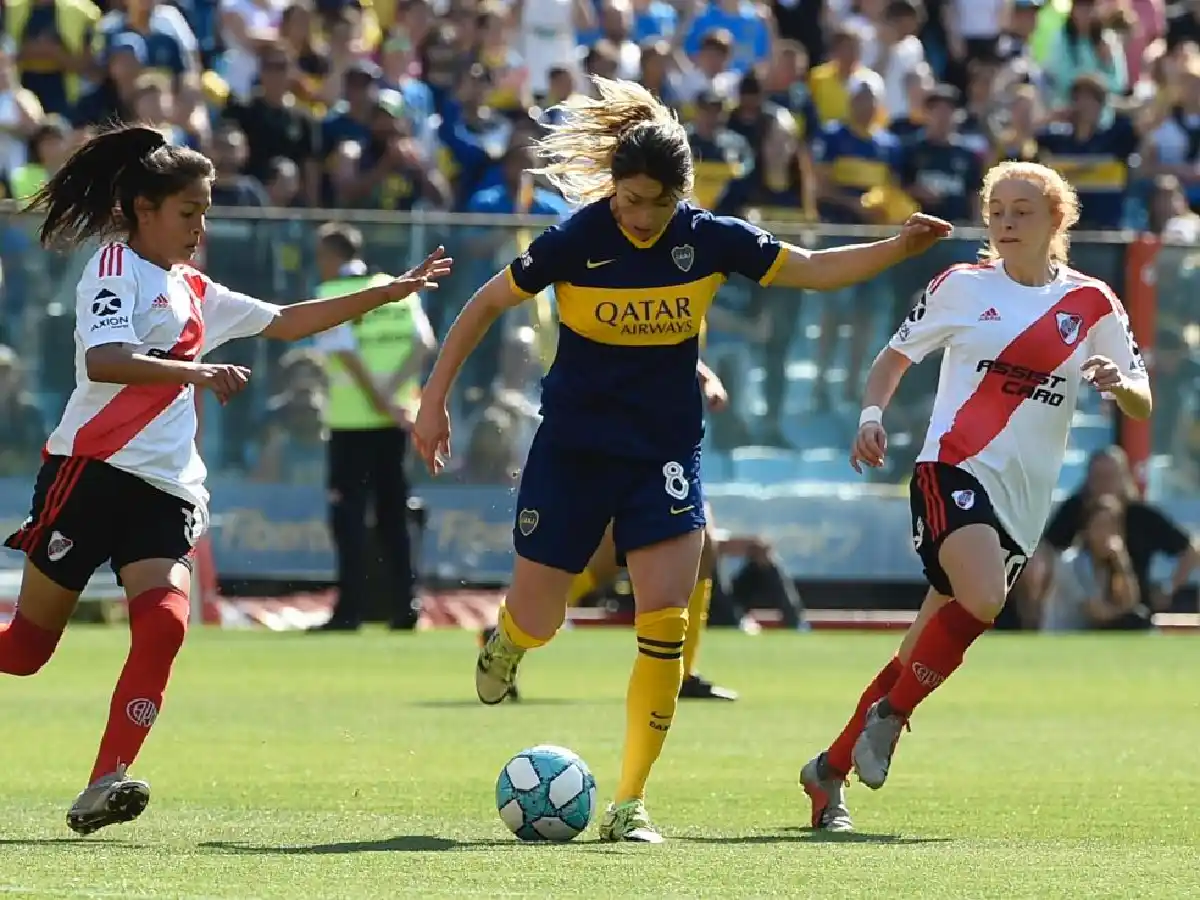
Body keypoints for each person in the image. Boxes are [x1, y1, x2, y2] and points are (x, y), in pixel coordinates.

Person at [412, 75, 951, 844]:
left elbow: (810, 267)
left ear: (680, 196)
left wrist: (898, 246)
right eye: (626, 199)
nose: (636, 217)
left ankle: (629, 803)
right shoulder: (579, 238)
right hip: (572, 448)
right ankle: (509, 642)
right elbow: (484, 305)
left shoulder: (711, 238)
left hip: (664, 453)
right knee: (540, 615)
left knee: (663, 622)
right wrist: (433, 403)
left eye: (652, 204)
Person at [1, 124, 451, 836]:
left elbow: (285, 322)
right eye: (189, 213)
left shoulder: (193, 288)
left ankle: (105, 779)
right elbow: (108, 361)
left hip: (166, 490)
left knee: (165, 624)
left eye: (206, 213)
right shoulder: (115, 267)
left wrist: (386, 294)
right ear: (144, 208)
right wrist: (199, 371)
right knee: (26, 652)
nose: (200, 228)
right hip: (89, 476)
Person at [798, 160, 1152, 834]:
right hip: (949, 472)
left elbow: (1141, 398)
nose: (1007, 221)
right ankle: (895, 716)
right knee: (985, 595)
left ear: (1057, 219)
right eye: (997, 209)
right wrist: (872, 416)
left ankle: (828, 772)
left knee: (915, 652)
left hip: (1021, 505)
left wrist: (1116, 382)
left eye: (1023, 209)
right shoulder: (961, 286)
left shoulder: (1093, 303)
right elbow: (894, 357)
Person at [481, 357, 740, 703]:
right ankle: (513, 632)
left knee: (698, 542)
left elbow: (672, 335)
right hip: (607, 428)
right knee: (607, 558)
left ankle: (681, 675)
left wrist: (704, 377)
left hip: (659, 432)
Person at [310, 221, 437, 632]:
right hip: (396, 421)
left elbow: (346, 356)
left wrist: (380, 401)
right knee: (394, 515)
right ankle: (406, 606)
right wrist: (396, 400)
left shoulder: (332, 295)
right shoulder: (396, 291)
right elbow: (424, 344)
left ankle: (350, 610)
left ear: (332, 255)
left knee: (347, 517)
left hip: (351, 423)